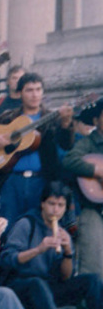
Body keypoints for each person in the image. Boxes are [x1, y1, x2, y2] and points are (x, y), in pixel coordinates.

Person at [0, 181, 101, 309]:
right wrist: (38, 250)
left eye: (60, 205)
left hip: (45, 289)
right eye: (52, 204)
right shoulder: (26, 223)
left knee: (92, 281)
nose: (56, 210)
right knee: (37, 283)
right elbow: (7, 259)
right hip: (19, 287)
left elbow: (65, 277)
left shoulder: (62, 231)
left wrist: (68, 252)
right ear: (43, 204)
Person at [0, 72, 75, 228]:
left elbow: (67, 144)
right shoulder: (9, 117)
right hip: (11, 181)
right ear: (20, 93)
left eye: (38, 89)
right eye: (29, 90)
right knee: (6, 227)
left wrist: (66, 123)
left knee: (38, 227)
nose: (35, 94)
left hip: (41, 181)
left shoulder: (52, 118)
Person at [62, 99, 103, 280]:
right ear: (95, 121)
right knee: (93, 260)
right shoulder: (88, 143)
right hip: (92, 208)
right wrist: (96, 170)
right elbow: (69, 160)